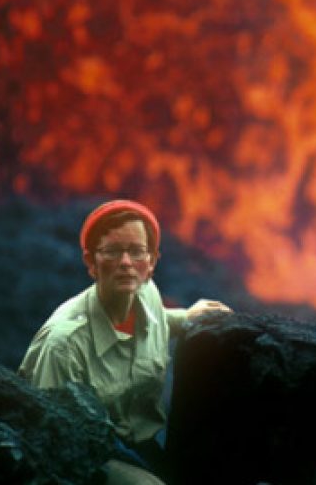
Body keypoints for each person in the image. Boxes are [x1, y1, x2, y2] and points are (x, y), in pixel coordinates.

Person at [19, 199, 231, 484]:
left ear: (152, 262)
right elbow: (49, 435)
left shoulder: (148, 296)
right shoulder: (64, 345)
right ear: (91, 262)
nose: (126, 263)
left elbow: (157, 322)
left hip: (144, 443)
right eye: (112, 251)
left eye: (136, 252)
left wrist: (188, 318)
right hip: (92, 452)